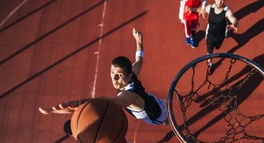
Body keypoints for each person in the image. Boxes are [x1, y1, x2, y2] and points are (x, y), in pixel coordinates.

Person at [39, 28, 168, 126]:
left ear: (128, 77)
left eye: (119, 75)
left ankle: (166, 120)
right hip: (152, 100)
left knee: (164, 118)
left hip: (156, 115)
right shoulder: (131, 74)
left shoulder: (128, 97)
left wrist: (79, 103)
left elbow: (102, 103)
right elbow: (139, 60)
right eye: (112, 72)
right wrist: (139, 41)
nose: (114, 78)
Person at [205, 0, 238, 74]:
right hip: (210, 34)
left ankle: (217, 45)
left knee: (217, 47)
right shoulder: (209, 8)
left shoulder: (227, 11)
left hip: (220, 35)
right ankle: (209, 65)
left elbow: (233, 19)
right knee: (209, 52)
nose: (219, 2)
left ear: (225, 0)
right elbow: (201, 9)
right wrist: (193, 10)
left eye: (222, 0)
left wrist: (234, 24)